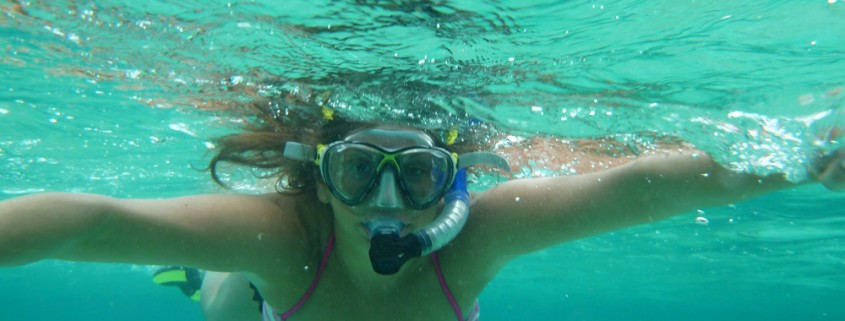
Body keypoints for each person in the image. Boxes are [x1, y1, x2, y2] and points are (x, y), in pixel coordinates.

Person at [1, 101, 843, 321]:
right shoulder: (283, 232)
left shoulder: (475, 235)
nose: (387, 204)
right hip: (262, 295)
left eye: (419, 177)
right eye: (361, 171)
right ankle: (192, 279)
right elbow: (87, 218)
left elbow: (640, 188)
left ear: (456, 183)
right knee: (215, 283)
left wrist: (797, 159)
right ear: (321, 175)